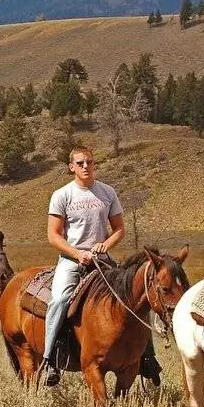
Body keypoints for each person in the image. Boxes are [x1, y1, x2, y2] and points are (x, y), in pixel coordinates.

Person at [43, 146, 162, 387]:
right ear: (71, 167)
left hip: (102, 260)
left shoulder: (107, 192)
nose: (86, 166)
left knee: (136, 297)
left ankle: (148, 358)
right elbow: (53, 236)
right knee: (59, 300)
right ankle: (51, 359)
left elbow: (119, 229)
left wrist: (104, 245)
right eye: (80, 163)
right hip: (72, 260)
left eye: (89, 162)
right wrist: (77, 253)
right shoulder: (62, 195)